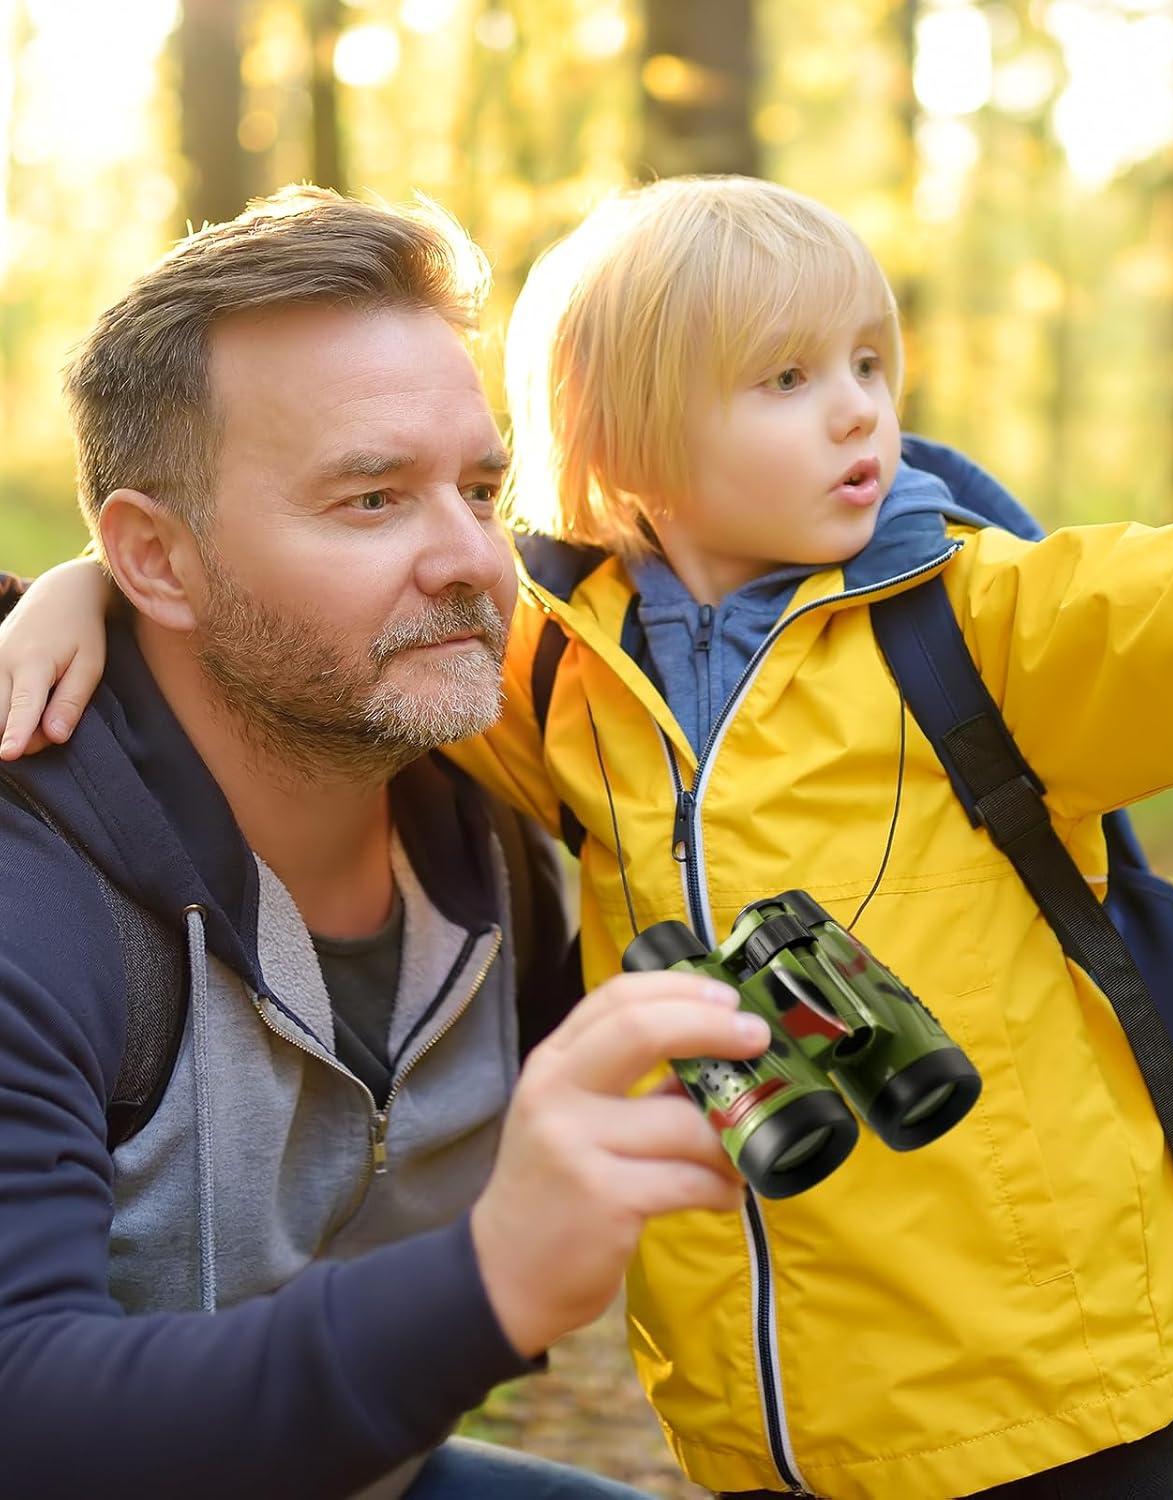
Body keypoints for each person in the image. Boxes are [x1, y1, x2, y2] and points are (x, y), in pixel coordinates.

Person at [7, 176, 1173, 1499]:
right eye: (785, 376)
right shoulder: (547, 673)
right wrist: (89, 588)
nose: (858, 408)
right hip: (759, 1419)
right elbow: (301, 622)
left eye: (868, 362)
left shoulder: (989, 636)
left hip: (1045, 1399)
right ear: (626, 439)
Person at [0, 188, 774, 1500]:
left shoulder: (522, 808)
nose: (470, 559)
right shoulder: (36, 897)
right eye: (370, 500)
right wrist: (487, 1281)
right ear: (156, 561)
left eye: (479, 487)